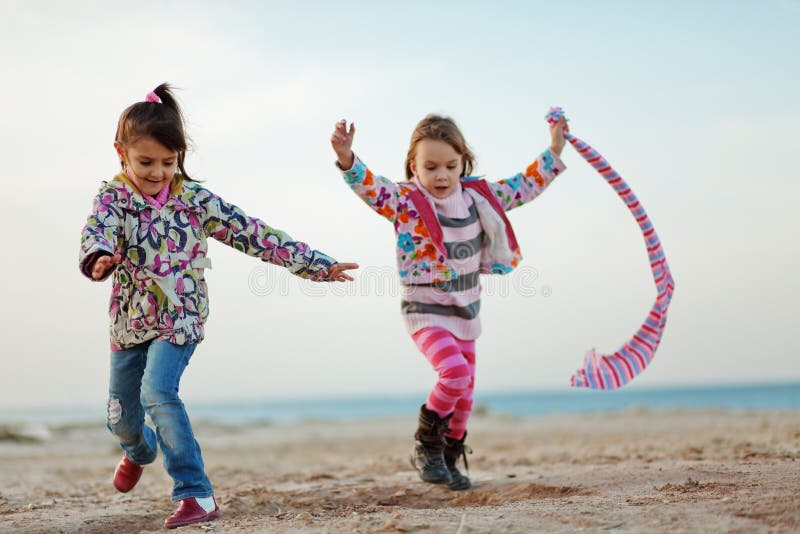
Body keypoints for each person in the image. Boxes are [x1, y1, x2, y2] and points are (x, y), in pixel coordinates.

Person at [79, 83, 358, 529]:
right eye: (146, 162)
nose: (157, 172)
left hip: (180, 317)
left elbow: (256, 234)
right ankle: (139, 450)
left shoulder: (195, 202)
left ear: (180, 157)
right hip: (128, 323)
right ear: (122, 153)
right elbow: (98, 232)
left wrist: (318, 266)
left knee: (158, 392)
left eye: (168, 163)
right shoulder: (113, 199)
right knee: (121, 420)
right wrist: (97, 260)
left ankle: (197, 495)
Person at [330, 113, 567, 490]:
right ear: (414, 167)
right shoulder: (405, 201)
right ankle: (426, 445)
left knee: (466, 396)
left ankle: (450, 457)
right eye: (430, 166)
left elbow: (523, 187)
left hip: (466, 311)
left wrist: (554, 150)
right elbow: (372, 188)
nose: (441, 175)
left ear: (463, 164)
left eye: (450, 166)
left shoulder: (479, 198)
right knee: (453, 374)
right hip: (425, 311)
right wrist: (347, 157)